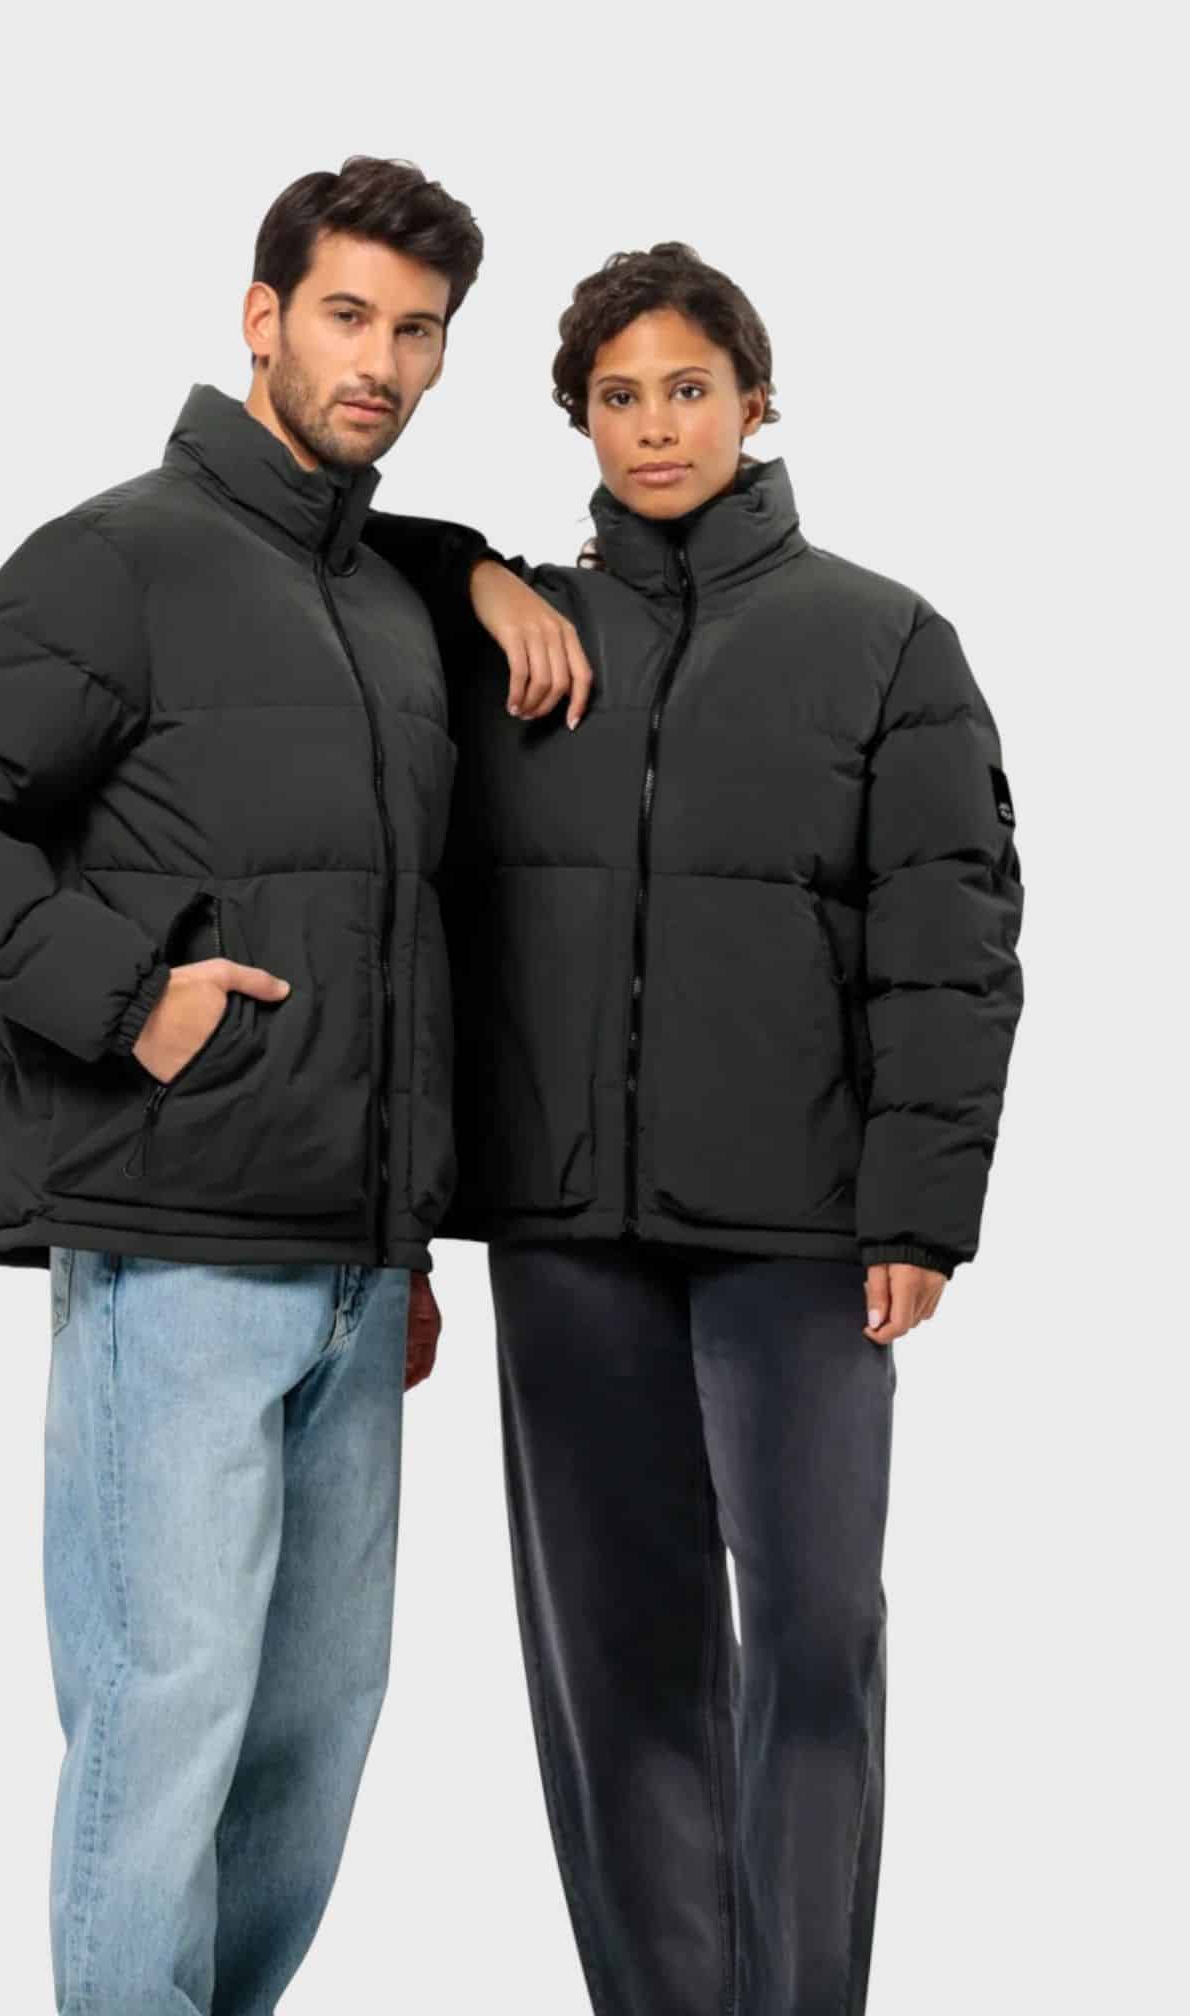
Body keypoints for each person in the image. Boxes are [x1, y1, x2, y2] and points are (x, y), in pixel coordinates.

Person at [0, 156, 562, 2016]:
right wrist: (128, 999)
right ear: (262, 317)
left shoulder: (390, 601)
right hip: (173, 1246)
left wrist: (408, 1236)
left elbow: (400, 926)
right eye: (347, 315)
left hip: (358, 1266)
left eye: (420, 333)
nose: (380, 363)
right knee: (165, 1720)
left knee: (316, 1731)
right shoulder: (121, 558)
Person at [363, 239, 1025, 2015]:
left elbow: (951, 942)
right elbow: (325, 544)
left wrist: (920, 1208)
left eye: (688, 389)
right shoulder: (516, 635)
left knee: (811, 1634)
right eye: (618, 396)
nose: (656, 426)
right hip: (567, 1228)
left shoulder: (883, 640)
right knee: (618, 1663)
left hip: (800, 1234)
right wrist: (479, 571)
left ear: (754, 400)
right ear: (578, 416)